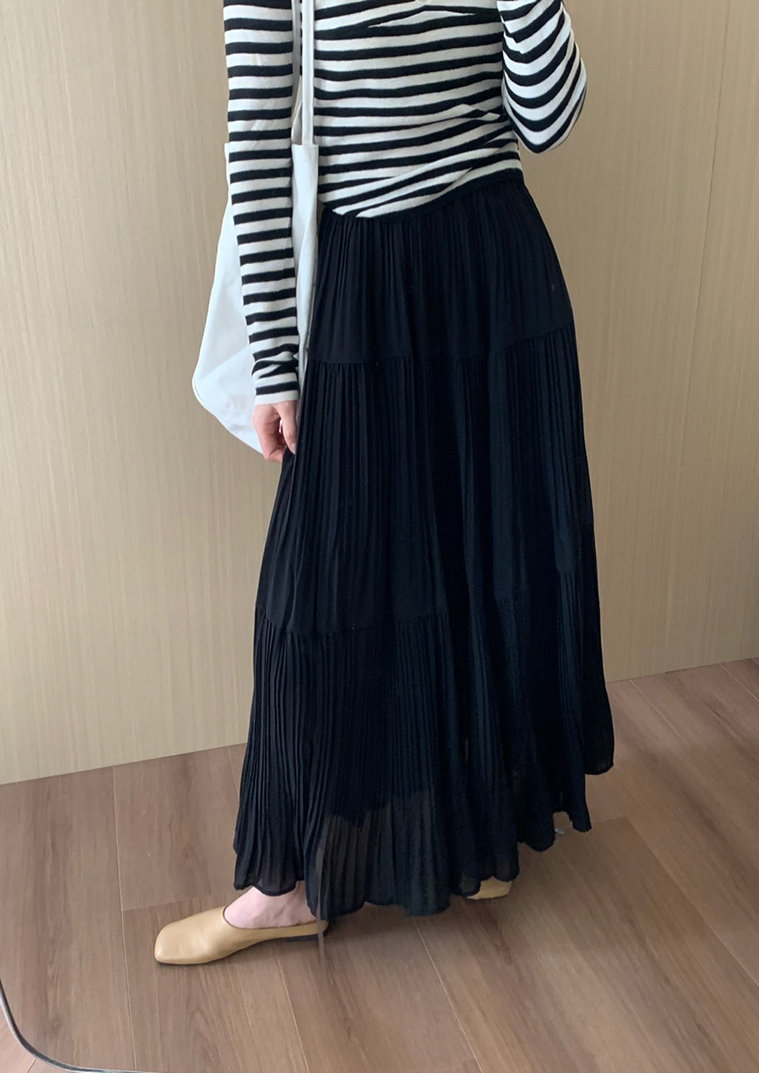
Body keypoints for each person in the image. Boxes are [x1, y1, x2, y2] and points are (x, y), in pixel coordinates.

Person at [154, 0, 615, 966]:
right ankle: (288, 884)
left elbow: (549, 120)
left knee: (489, 567)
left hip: (495, 271)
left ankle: (478, 826)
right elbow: (257, 142)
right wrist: (275, 360)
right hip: (363, 280)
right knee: (313, 599)